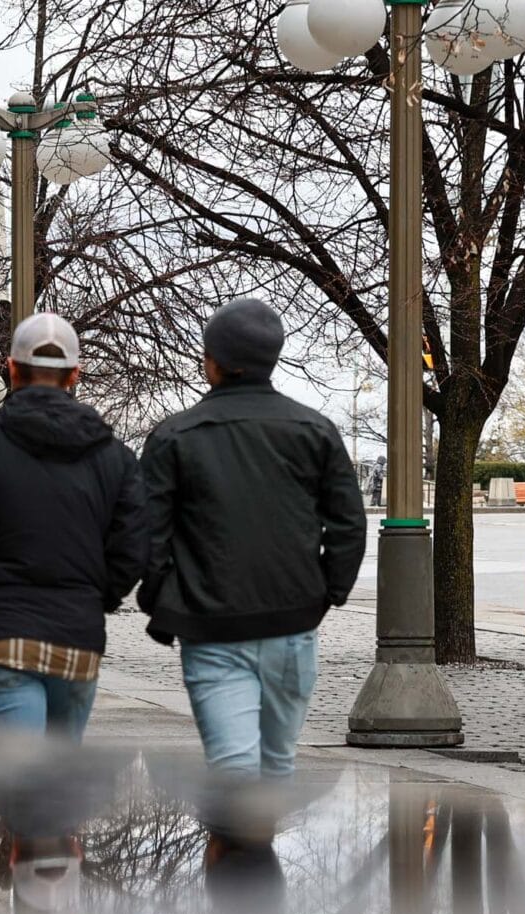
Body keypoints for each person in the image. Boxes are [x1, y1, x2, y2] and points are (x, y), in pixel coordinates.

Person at [135, 297, 366, 778]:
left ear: (212, 361)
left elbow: (147, 532)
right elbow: (347, 523)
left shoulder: (175, 436)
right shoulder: (315, 430)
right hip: (293, 621)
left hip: (211, 623)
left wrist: (162, 594)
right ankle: (253, 848)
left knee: (234, 770)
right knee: (277, 767)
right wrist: (327, 592)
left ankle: (239, 847)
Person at [0, 312, 145, 739]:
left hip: (3, 630)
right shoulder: (114, 455)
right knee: (56, 791)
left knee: (20, 787)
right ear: (75, 374)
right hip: (78, 636)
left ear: (11, 367)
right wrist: (96, 597)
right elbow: (133, 543)